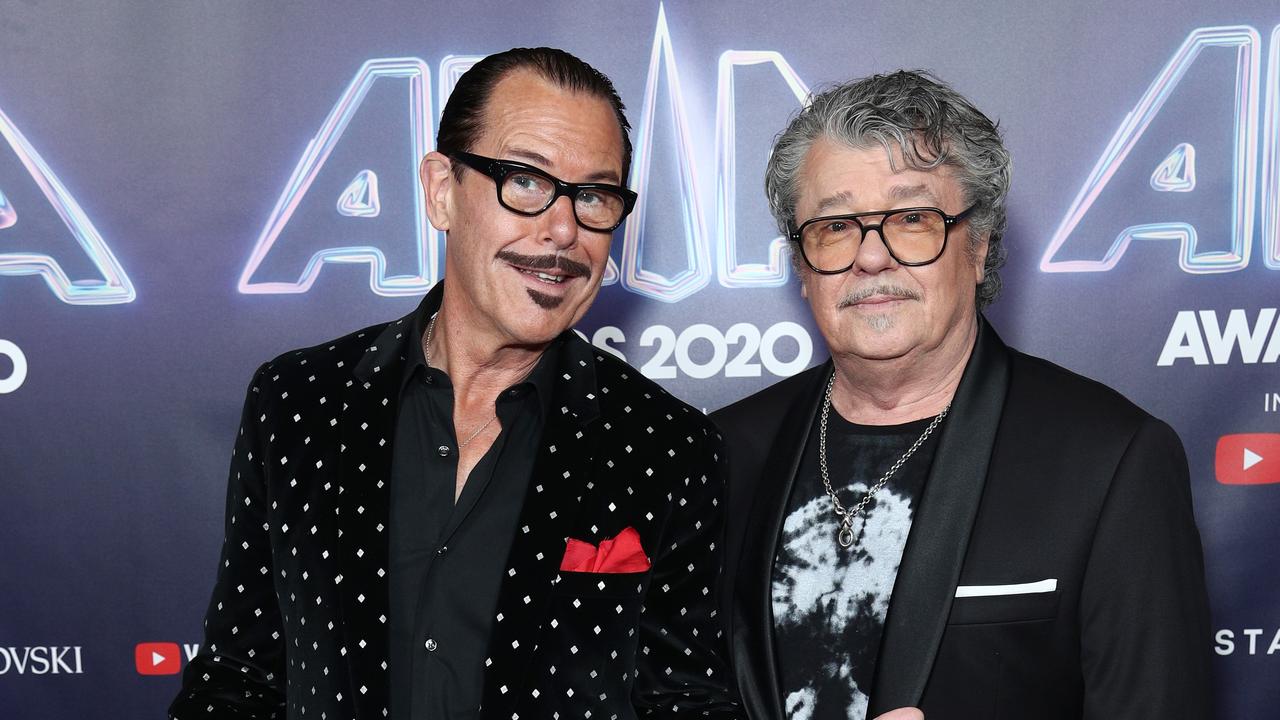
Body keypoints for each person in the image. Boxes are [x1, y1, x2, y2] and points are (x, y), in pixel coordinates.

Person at [169, 47, 741, 720]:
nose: (563, 230)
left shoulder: (666, 445)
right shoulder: (298, 403)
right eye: (525, 180)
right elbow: (240, 679)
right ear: (442, 190)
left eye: (593, 195)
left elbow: (685, 702)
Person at [713, 70, 1212, 719]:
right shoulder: (720, 453)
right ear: (802, 267)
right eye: (835, 226)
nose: (871, 258)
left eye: (913, 218)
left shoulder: (1111, 461)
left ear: (978, 246)